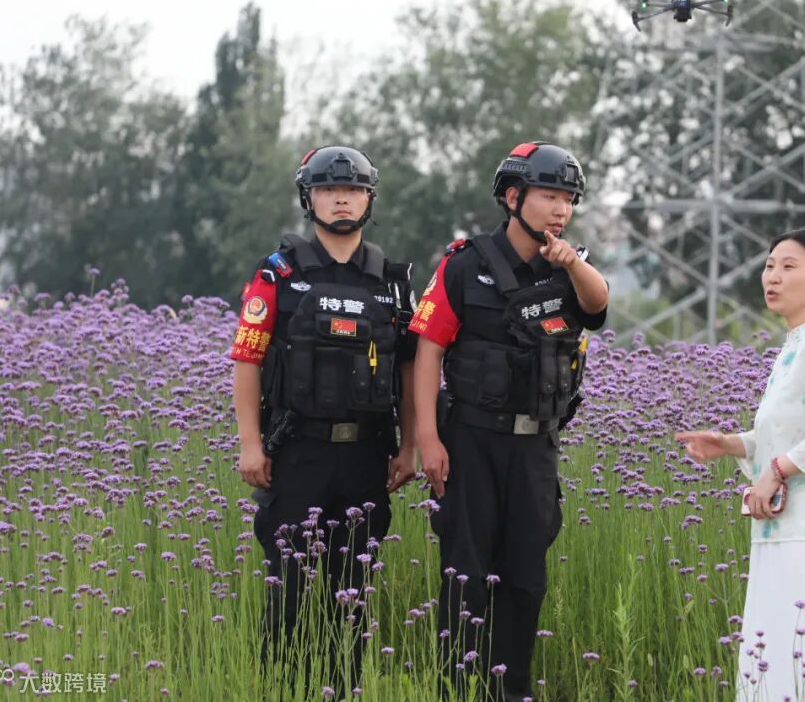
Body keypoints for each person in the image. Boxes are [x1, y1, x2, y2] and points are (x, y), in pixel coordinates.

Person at [409, 141, 609, 701]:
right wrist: (427, 438)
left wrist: (573, 263)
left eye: (569, 200)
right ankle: (458, 690)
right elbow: (428, 349)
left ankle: (512, 690)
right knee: (465, 575)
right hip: (470, 442)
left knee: (525, 580)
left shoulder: (569, 270)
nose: (561, 210)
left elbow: (598, 305)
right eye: (549, 196)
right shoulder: (464, 265)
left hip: (535, 448)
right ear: (513, 197)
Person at [229, 145, 418, 697]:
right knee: (287, 595)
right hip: (296, 454)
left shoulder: (392, 281)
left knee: (352, 599)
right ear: (308, 198)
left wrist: (409, 446)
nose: (341, 199)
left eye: (353, 189)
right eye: (329, 189)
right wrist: (249, 445)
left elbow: (410, 371)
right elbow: (247, 360)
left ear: (369, 199)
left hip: (366, 457)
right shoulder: (278, 273)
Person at [676, 228, 805, 701]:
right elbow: (791, 433)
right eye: (769, 266)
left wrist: (778, 470)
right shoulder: (796, 345)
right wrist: (730, 444)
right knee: (773, 657)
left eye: (788, 266)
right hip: (781, 529)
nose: (773, 277)